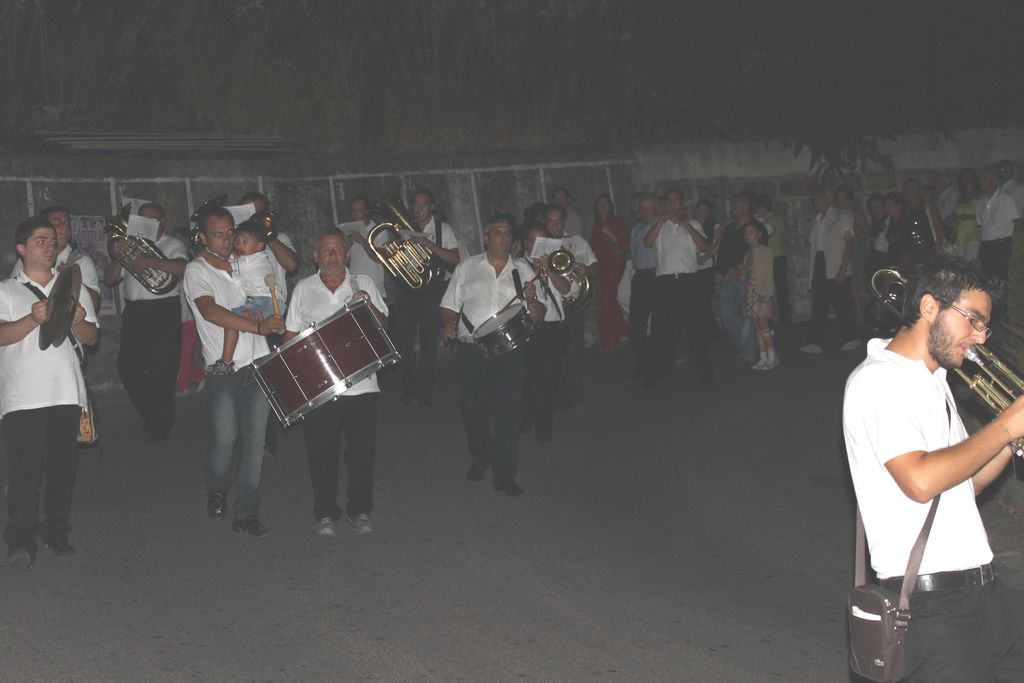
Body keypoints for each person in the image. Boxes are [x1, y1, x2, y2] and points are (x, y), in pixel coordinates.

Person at [843, 261, 1024, 679]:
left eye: (985, 326)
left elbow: (962, 486)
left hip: (985, 596)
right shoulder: (877, 382)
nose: (980, 337)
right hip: (933, 606)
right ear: (929, 307)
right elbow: (921, 481)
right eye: (973, 320)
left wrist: (1007, 444)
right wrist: (1003, 427)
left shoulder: (934, 381)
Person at [0, 217, 99, 571]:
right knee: (25, 471)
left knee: (62, 468)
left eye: (52, 241)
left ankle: (56, 530)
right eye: (40, 240)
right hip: (22, 396)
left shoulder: (71, 285)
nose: (49, 246)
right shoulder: (6, 290)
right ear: (21, 248)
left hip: (65, 392)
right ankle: (20, 539)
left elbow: (91, 338)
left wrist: (78, 320)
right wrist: (32, 319)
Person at [183, 207, 285, 538]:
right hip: (223, 369)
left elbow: (269, 296)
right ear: (202, 237)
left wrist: (267, 314)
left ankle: (246, 512)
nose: (227, 240)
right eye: (218, 234)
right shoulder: (196, 270)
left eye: (230, 232)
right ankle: (217, 488)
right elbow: (211, 311)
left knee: (255, 442)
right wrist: (256, 325)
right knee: (226, 439)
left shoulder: (245, 261)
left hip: (259, 365)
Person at [284, 230, 388, 537]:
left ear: (348, 255)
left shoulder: (363, 283)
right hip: (320, 391)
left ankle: (360, 510)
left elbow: (384, 327)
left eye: (338, 250)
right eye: (326, 250)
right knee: (321, 454)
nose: (332, 255)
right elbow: (290, 338)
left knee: (361, 455)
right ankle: (326, 512)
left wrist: (368, 305)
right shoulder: (303, 288)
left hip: (362, 386)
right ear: (315, 256)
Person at [440, 215, 546, 497]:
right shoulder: (467, 267)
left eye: (508, 233)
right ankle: (480, 455)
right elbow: (448, 306)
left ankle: (505, 473)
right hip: (471, 348)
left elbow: (538, 315)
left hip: (511, 350)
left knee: (508, 411)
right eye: (498, 232)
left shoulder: (523, 269)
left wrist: (532, 299)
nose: (504, 237)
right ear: (487, 238)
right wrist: (449, 322)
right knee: (472, 408)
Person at [103, 202, 188, 440]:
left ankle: (161, 425)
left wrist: (149, 262)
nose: (149, 223)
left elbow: (183, 268)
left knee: (163, 371)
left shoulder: (173, 244)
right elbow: (109, 279)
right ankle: (153, 415)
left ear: (163, 221)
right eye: (143, 219)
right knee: (128, 368)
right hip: (135, 313)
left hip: (164, 310)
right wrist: (121, 256)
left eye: (154, 219)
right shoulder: (131, 245)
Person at [391, 188, 460, 407]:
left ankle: (425, 390)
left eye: (424, 205)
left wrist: (428, 245)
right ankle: (409, 386)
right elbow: (394, 261)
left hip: (433, 292)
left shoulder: (443, 228)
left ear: (432, 207)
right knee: (402, 340)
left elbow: (455, 259)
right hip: (406, 292)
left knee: (429, 343)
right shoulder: (402, 228)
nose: (419, 209)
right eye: (416, 205)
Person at [643, 189, 712, 386]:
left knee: (695, 326)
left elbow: (704, 246)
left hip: (687, 280)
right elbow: (647, 243)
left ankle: (705, 372)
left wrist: (686, 225)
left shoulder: (693, 224)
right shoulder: (659, 225)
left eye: (676, 201)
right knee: (661, 328)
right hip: (664, 282)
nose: (672, 204)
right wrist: (661, 220)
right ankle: (661, 370)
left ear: (681, 204)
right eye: (669, 201)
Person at [211, 217, 287, 375]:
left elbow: (222, 265)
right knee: (234, 321)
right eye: (238, 242)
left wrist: (203, 253)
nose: (239, 246)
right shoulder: (257, 257)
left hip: (266, 303)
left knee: (231, 321)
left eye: (245, 242)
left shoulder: (248, 261)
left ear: (259, 246)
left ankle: (225, 362)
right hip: (267, 302)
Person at [520, 223, 574, 443]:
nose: (537, 246)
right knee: (528, 379)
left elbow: (568, 291)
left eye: (542, 241)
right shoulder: (518, 264)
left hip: (552, 328)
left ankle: (544, 424)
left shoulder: (557, 262)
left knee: (550, 381)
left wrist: (549, 270)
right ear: (525, 243)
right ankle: (528, 414)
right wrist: (535, 271)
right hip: (529, 329)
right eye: (533, 240)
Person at [543, 203, 599, 410]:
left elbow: (597, 267)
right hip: (549, 307)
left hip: (571, 304)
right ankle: (554, 394)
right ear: (545, 222)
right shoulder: (539, 244)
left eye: (558, 221)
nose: (554, 225)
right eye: (550, 221)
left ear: (564, 222)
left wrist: (587, 270)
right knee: (551, 353)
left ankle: (571, 396)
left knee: (572, 351)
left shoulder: (576, 241)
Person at [800, 188, 860, 354]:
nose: (817, 202)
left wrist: (843, 269)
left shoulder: (842, 216)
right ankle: (815, 341)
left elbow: (849, 244)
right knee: (819, 304)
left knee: (841, 302)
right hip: (820, 262)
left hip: (836, 263)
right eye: (815, 200)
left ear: (828, 199)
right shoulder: (818, 220)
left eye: (820, 198)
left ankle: (852, 338)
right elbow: (812, 243)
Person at [12, 206, 102, 312]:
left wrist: (72, 278)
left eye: (67, 223)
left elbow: (95, 304)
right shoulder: (25, 260)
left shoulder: (81, 261)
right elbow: (12, 295)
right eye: (57, 222)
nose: (64, 227)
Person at [717, 193, 759, 364]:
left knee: (747, 315)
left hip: (748, 277)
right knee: (726, 314)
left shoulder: (756, 227)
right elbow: (723, 252)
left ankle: (748, 353)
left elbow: (759, 251)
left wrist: (742, 268)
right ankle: (747, 344)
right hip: (729, 277)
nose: (731, 209)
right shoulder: (729, 229)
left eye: (735, 205)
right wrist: (719, 272)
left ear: (746, 207)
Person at [589, 194, 629, 350]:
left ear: (611, 206)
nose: (603, 206)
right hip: (601, 264)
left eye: (606, 203)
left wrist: (608, 233)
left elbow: (624, 243)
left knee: (608, 297)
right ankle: (609, 339)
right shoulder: (597, 225)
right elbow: (593, 245)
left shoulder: (618, 221)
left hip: (615, 262)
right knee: (601, 299)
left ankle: (622, 332)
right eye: (600, 204)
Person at [628, 193, 659, 378]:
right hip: (640, 275)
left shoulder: (660, 226)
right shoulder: (636, 229)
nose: (645, 211)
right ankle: (640, 364)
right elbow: (634, 253)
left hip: (656, 274)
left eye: (648, 207)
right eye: (642, 207)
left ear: (655, 208)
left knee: (658, 321)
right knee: (636, 322)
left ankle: (657, 362)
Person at [172, 226, 205, 396]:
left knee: (183, 352)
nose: (175, 243)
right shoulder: (175, 258)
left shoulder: (193, 261)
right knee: (183, 351)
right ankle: (199, 376)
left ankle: (183, 385)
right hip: (181, 314)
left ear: (186, 241)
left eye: (179, 240)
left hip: (191, 316)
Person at [237, 191, 300, 278]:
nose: (253, 218)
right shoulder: (235, 240)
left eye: (257, 214)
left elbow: (291, 265)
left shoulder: (280, 238)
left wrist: (266, 232)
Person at [743, 221, 777, 370]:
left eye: (751, 232)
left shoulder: (765, 251)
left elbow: (769, 273)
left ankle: (772, 356)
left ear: (759, 234)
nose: (748, 235)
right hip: (751, 294)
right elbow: (747, 274)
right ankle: (763, 357)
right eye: (746, 232)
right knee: (756, 326)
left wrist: (764, 292)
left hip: (762, 293)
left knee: (763, 325)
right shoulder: (747, 254)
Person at [835, 185, 870, 326]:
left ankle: (861, 313)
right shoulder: (838, 214)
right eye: (839, 198)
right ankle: (857, 312)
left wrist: (855, 233)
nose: (841, 201)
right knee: (850, 282)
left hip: (856, 248)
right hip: (844, 249)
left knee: (854, 281)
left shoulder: (855, 212)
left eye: (844, 198)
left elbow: (866, 231)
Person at [752, 195, 791, 326]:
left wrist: (758, 222)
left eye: (757, 208)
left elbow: (769, 232)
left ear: (763, 207)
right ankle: (769, 322)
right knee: (766, 292)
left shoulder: (775, 219)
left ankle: (786, 322)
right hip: (765, 262)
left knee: (781, 291)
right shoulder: (759, 220)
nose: (756, 211)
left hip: (777, 259)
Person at [976, 169, 1020, 282]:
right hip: (986, 245)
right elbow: (980, 225)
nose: (981, 182)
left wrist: (1016, 245)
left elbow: (1017, 221)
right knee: (987, 278)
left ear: (993, 181)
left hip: (1002, 245)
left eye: (984, 179)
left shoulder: (1006, 199)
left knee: (1002, 277)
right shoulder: (980, 202)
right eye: (980, 179)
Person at [340, 194, 386, 295]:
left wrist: (362, 240)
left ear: (367, 211)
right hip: (355, 288)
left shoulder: (378, 230)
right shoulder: (351, 231)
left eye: (359, 210)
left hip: (373, 288)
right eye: (353, 210)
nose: (356, 214)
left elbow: (380, 258)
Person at [953, 168, 982, 263]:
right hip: (961, 234)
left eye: (968, 176)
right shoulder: (960, 198)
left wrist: (968, 217)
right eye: (963, 177)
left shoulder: (979, 195)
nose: (966, 179)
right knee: (960, 263)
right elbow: (956, 215)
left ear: (974, 178)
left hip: (974, 233)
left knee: (970, 262)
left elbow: (985, 215)